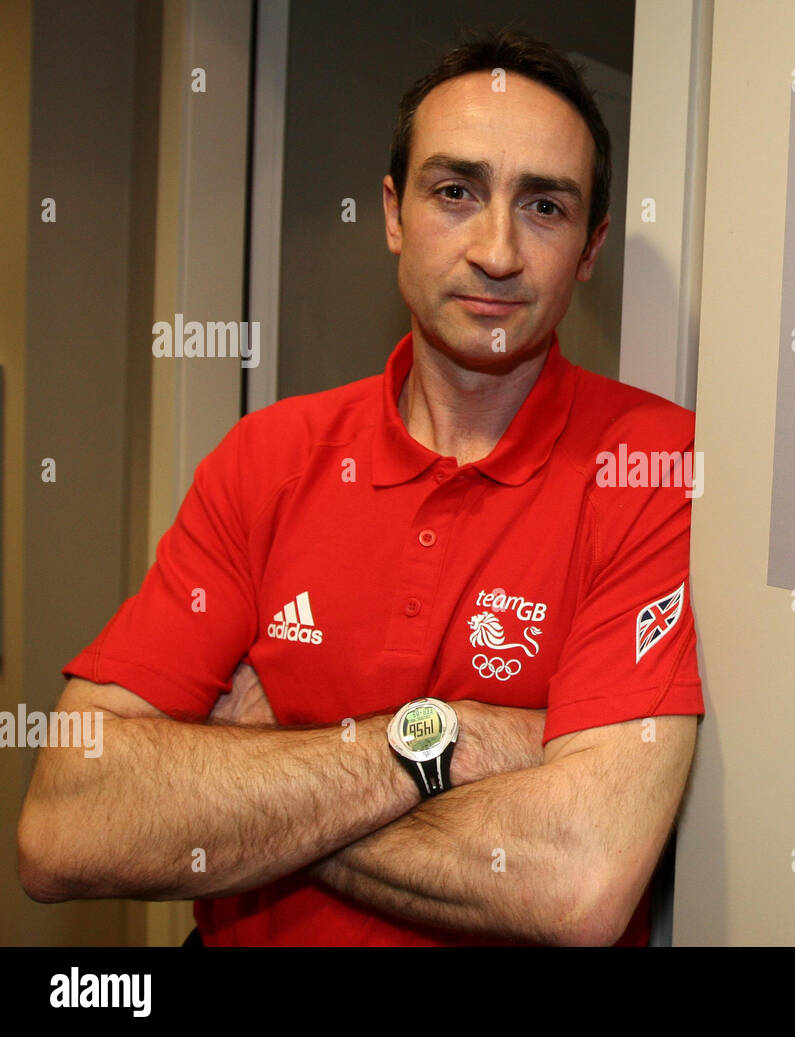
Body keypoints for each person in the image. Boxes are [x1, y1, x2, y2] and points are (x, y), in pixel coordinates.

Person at [17, 28, 704, 947]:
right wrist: (443, 739)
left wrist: (244, 776)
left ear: (589, 248)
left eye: (544, 206)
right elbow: (66, 821)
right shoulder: (267, 456)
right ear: (392, 213)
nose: (497, 251)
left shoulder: (657, 464)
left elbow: (575, 880)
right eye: (455, 192)